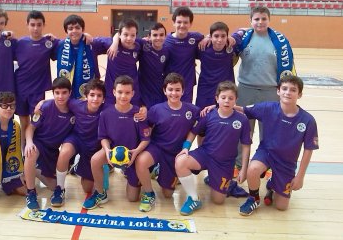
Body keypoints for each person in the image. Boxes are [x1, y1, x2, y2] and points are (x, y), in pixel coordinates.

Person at [238, 75, 318, 216]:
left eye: (293, 90)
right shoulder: (267, 108)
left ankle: (272, 185)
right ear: (278, 91)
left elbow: (308, 150)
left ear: (299, 94)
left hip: (286, 162)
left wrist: (300, 176)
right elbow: (243, 110)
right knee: (253, 169)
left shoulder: (308, 120)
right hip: (266, 153)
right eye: (284, 88)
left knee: (281, 207)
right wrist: (217, 106)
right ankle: (254, 198)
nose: (288, 92)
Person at [233, 6, 296, 176]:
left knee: (268, 131)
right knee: (243, 128)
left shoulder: (280, 41)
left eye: (263, 19)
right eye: (257, 19)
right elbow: (230, 57)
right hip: (246, 89)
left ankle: (264, 165)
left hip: (270, 91)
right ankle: (239, 164)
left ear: (269, 20)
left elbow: (288, 68)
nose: (260, 22)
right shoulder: (243, 38)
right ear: (251, 20)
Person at [175, 81, 251, 215]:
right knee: (180, 161)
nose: (227, 101)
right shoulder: (209, 114)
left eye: (231, 98)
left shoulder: (242, 120)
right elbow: (193, 132)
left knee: (218, 201)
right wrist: (186, 147)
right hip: (205, 155)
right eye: (223, 97)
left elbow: (246, 146)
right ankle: (193, 198)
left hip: (224, 163)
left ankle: (216, 179)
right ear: (217, 99)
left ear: (236, 100)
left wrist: (244, 169)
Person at [82, 75, 151, 210]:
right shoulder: (106, 113)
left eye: (127, 93)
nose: (123, 96)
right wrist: (107, 151)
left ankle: (135, 175)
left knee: (132, 198)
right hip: (112, 150)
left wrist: (135, 153)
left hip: (133, 154)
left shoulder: (138, 113)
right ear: (114, 92)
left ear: (133, 94)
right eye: (120, 92)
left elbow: (146, 139)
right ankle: (101, 193)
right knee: (95, 159)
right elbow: (103, 137)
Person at [135, 73, 200, 212]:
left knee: (167, 194)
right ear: (165, 90)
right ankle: (148, 193)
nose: (174, 93)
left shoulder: (192, 110)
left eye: (177, 90)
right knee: (141, 161)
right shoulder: (156, 109)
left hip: (174, 154)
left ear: (183, 91)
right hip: (157, 148)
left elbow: (203, 119)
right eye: (170, 89)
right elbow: (148, 129)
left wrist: (211, 107)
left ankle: (161, 171)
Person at [51, 79, 106, 207]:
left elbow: (123, 108)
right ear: (86, 96)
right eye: (92, 95)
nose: (95, 99)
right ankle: (59, 189)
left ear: (104, 98)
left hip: (92, 147)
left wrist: (141, 110)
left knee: (87, 188)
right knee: (64, 153)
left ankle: (77, 165)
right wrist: (42, 102)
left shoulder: (107, 109)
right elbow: (59, 100)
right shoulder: (76, 105)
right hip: (76, 139)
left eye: (99, 96)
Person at [23, 77, 75, 211]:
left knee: (53, 186)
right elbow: (30, 128)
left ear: (70, 93)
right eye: (57, 93)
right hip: (39, 143)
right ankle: (31, 192)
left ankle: (33, 171)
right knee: (30, 153)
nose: (60, 96)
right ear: (53, 93)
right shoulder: (45, 107)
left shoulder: (74, 110)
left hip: (53, 151)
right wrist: (29, 142)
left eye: (64, 92)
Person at [14, 10, 59, 148]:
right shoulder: (20, 43)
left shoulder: (49, 43)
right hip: (20, 88)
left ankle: (35, 150)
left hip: (38, 91)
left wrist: (55, 39)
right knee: (23, 121)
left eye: (39, 25)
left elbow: (65, 45)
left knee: (36, 121)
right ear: (27, 25)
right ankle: (22, 151)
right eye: (32, 24)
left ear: (44, 25)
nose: (35, 28)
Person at [92, 19, 143, 106]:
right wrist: (115, 42)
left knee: (132, 116)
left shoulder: (139, 46)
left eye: (132, 35)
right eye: (125, 34)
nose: (129, 38)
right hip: (112, 91)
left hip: (131, 90)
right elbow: (91, 40)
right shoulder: (110, 43)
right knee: (110, 115)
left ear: (136, 36)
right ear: (120, 34)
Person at [54, 14, 103, 99]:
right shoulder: (60, 45)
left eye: (77, 28)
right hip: (67, 90)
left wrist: (116, 39)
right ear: (66, 31)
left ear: (82, 29)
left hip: (87, 90)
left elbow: (108, 41)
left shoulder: (91, 44)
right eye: (70, 28)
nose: (74, 31)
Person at [195, 22, 240, 110]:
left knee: (225, 119)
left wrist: (230, 37)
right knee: (203, 117)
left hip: (226, 91)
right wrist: (207, 37)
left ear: (227, 36)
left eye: (223, 36)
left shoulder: (232, 44)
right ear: (211, 37)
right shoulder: (202, 47)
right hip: (205, 90)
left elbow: (244, 29)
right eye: (216, 36)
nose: (220, 40)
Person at [163, 7, 204, 103]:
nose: (182, 25)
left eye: (185, 22)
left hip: (187, 84)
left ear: (190, 24)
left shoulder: (196, 37)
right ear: (174, 22)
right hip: (170, 85)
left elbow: (210, 36)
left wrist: (208, 37)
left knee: (185, 112)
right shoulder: (165, 40)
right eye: (179, 22)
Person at [137, 23, 170, 109]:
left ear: (165, 36)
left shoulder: (167, 51)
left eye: (161, 35)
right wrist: (114, 42)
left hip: (158, 89)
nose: (158, 38)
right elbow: (121, 34)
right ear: (149, 37)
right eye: (155, 35)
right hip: (143, 89)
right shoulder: (144, 45)